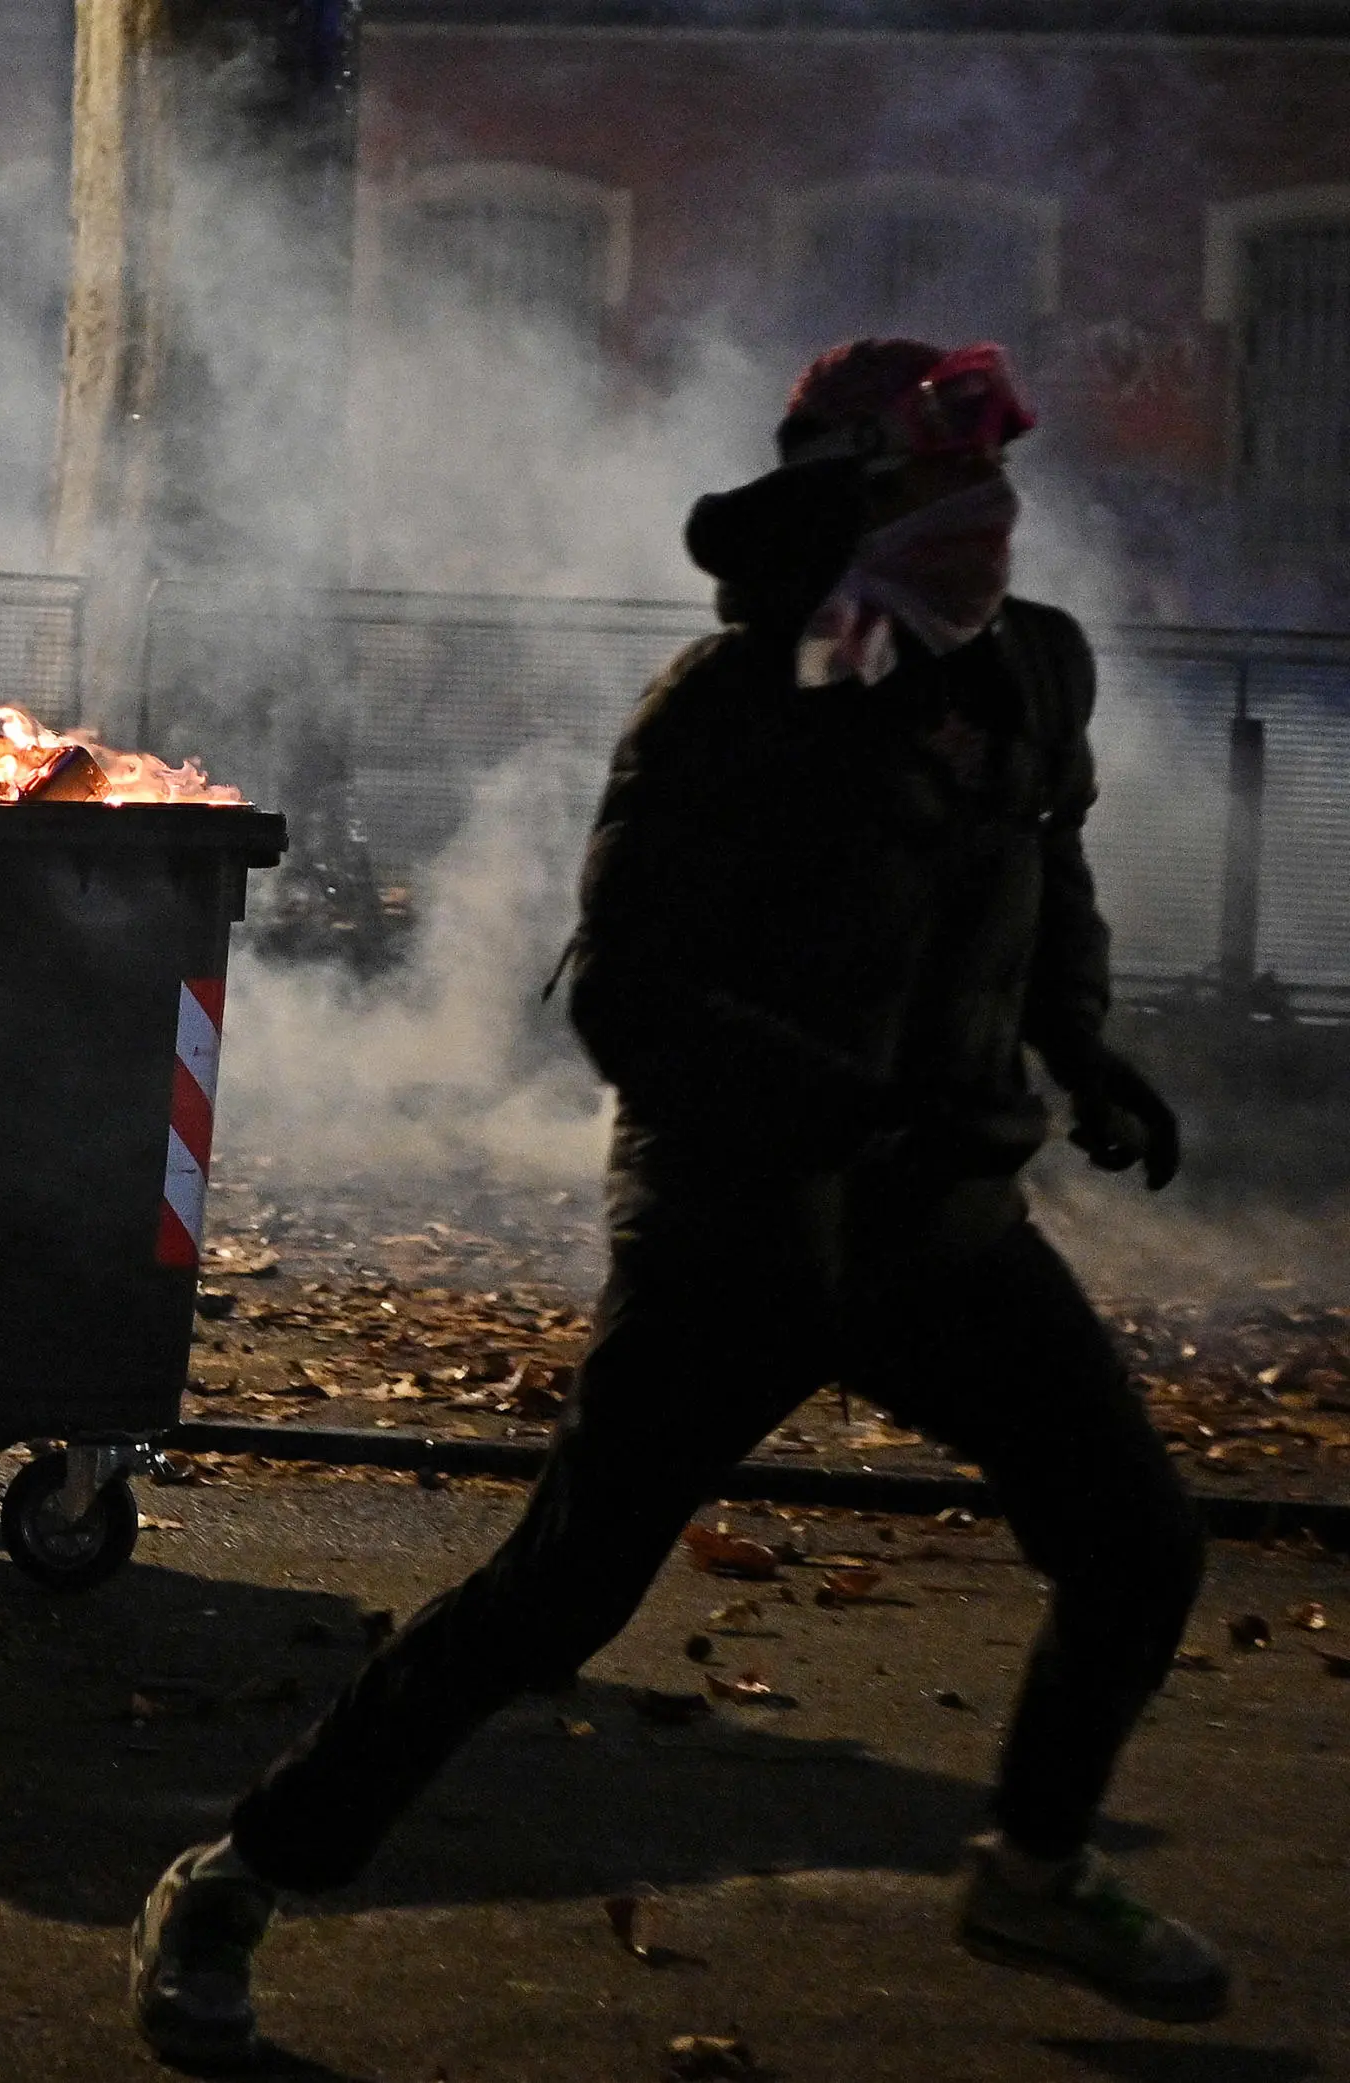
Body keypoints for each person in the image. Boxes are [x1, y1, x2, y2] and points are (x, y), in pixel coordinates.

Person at [131, 340, 1224, 2065]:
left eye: (992, 484)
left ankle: (1033, 1861)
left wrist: (1080, 1047)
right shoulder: (726, 707)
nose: (986, 519)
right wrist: (850, 1107)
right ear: (848, 503)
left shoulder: (1035, 670)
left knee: (1137, 1539)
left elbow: (1043, 881)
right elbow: (625, 1004)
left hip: (940, 1233)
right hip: (740, 1238)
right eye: (945, 484)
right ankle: (240, 1874)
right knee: (557, 1594)